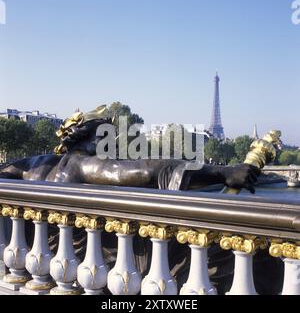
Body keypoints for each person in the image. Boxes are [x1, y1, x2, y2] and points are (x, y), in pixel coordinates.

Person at [0, 106, 264, 294]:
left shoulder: (37, 163)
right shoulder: (83, 164)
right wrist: (223, 172)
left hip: (37, 256)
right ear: (96, 137)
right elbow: (147, 171)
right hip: (81, 262)